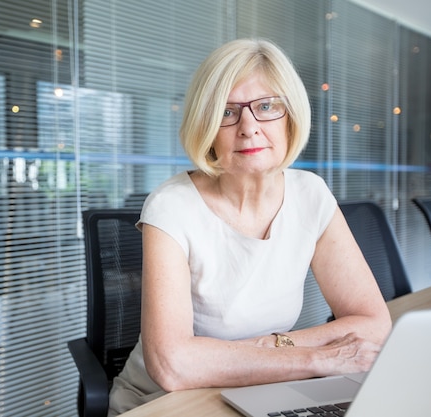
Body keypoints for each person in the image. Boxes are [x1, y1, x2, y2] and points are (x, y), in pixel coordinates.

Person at [107, 38, 392, 416]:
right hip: (166, 401)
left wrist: (267, 348)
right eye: (227, 112)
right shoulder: (171, 206)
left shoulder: (311, 194)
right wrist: (316, 358)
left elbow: (373, 324)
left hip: (267, 389)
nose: (248, 127)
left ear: (291, 115)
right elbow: (173, 365)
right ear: (205, 126)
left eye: (266, 106)